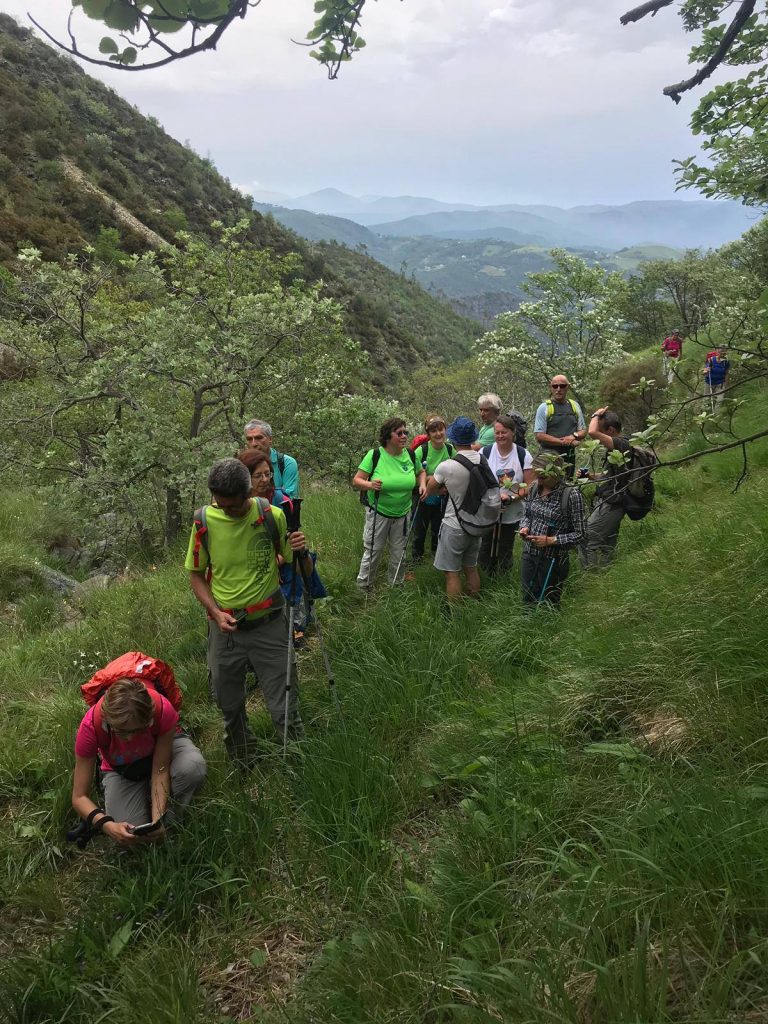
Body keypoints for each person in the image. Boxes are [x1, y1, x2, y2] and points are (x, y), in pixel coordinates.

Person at [186, 458, 308, 767]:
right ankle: (244, 762)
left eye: (232, 506)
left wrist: (300, 549)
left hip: (269, 623)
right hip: (225, 629)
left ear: (249, 492)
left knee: (284, 707)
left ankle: (296, 765)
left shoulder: (272, 516)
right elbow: (196, 574)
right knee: (228, 705)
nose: (225, 510)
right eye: (220, 504)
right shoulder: (203, 522)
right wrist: (214, 612)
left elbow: (298, 566)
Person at [71, 678, 207, 846]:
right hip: (120, 767)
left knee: (193, 767)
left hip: (160, 748)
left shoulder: (162, 709)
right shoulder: (91, 726)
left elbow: (160, 769)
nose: (129, 738)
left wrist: (159, 820)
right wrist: (107, 825)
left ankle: (173, 824)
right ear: (107, 719)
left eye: (137, 730)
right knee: (129, 836)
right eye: (121, 731)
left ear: (149, 718)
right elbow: (79, 797)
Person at [236, 448, 325, 647]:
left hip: (282, 562)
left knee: (290, 596)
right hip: (250, 566)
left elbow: (290, 537)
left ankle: (295, 629)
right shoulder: (235, 505)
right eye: (258, 475)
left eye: (268, 474)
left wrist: (279, 558)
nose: (265, 479)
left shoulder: (280, 499)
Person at [353, 418, 426, 590]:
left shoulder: (410, 454)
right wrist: (370, 485)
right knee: (373, 551)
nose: (404, 436)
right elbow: (357, 480)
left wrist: (422, 484)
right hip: (379, 512)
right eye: (399, 433)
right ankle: (364, 587)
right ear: (388, 436)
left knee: (399, 553)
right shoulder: (375, 455)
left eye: (405, 432)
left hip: (403, 513)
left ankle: (396, 586)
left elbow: (421, 472)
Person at [425, 416, 492, 601]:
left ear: (453, 439)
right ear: (473, 438)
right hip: (476, 523)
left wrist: (440, 490)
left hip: (454, 525)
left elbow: (430, 489)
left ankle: (455, 613)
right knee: (470, 568)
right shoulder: (482, 459)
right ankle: (474, 604)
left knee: (451, 572)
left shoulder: (447, 466)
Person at [519, 453, 586, 607]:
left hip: (553, 559)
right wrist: (524, 527)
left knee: (549, 602)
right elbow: (527, 514)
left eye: (543, 476)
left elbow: (581, 534)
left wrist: (551, 541)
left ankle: (548, 629)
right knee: (528, 597)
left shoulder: (571, 495)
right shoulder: (535, 487)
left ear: (556, 473)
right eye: (537, 476)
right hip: (529, 553)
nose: (539, 480)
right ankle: (527, 628)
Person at [479, 414, 534, 574]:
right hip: (489, 509)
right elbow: (479, 480)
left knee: (505, 546)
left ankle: (503, 578)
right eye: (497, 432)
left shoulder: (523, 455)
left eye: (504, 432)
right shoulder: (485, 452)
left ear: (512, 433)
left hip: (512, 511)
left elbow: (529, 485)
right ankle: (484, 576)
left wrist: (511, 498)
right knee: (485, 545)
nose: (500, 436)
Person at [580, 408, 631, 568]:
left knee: (586, 538)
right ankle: (605, 575)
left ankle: (590, 579)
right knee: (606, 544)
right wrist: (589, 475)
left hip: (613, 504)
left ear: (610, 430)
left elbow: (592, 432)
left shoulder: (622, 444)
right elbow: (609, 477)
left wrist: (596, 415)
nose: (599, 439)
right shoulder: (614, 450)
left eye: (602, 432)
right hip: (611, 502)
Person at [412, 414, 455, 562]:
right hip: (422, 499)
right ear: (428, 433)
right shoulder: (421, 451)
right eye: (433, 431)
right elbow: (414, 476)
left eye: (441, 429)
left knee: (439, 531)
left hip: (443, 499)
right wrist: (436, 480)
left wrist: (432, 478)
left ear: (445, 430)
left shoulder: (450, 450)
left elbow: (456, 473)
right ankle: (416, 562)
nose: (438, 434)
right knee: (419, 533)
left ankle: (436, 562)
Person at [533, 376, 586, 477]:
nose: (558, 389)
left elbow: (583, 431)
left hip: (569, 458)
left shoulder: (575, 406)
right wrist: (564, 442)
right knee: (548, 485)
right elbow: (539, 435)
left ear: (568, 387)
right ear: (551, 387)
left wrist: (573, 436)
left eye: (562, 386)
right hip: (548, 458)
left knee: (567, 484)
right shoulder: (544, 408)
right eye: (555, 386)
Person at [243, 418, 299, 498]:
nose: (254, 443)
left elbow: (289, 498)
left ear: (270, 439)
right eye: (249, 439)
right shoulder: (242, 464)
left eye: (259, 438)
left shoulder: (286, 463)